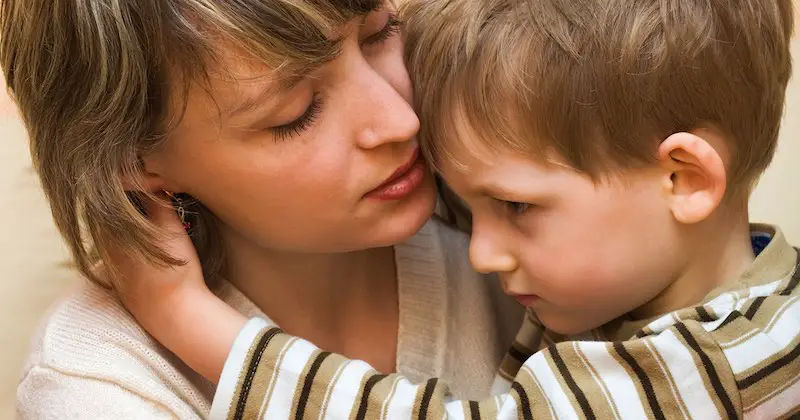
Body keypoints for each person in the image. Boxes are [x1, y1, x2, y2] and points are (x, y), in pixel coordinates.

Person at [114, 0, 799, 418]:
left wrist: (197, 326)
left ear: (683, 178)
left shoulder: (719, 362)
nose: (478, 251)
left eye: (515, 205)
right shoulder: (697, 291)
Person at [0, 0, 524, 418]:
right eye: (297, 113)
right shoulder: (101, 386)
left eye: (379, 34)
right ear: (134, 160)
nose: (399, 120)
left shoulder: (532, 222)